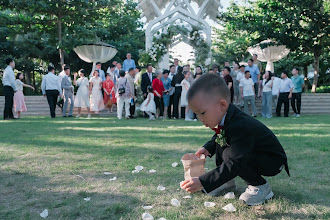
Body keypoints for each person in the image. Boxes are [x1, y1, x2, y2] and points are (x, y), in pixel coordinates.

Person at [180, 74, 290, 206]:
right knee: (222, 143)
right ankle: (227, 182)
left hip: (272, 160)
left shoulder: (240, 125)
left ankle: (260, 186)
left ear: (222, 105)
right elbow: (219, 136)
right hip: (254, 152)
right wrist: (208, 148)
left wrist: (204, 181)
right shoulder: (229, 117)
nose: (200, 119)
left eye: (202, 113)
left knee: (232, 154)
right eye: (197, 114)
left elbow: (235, 162)